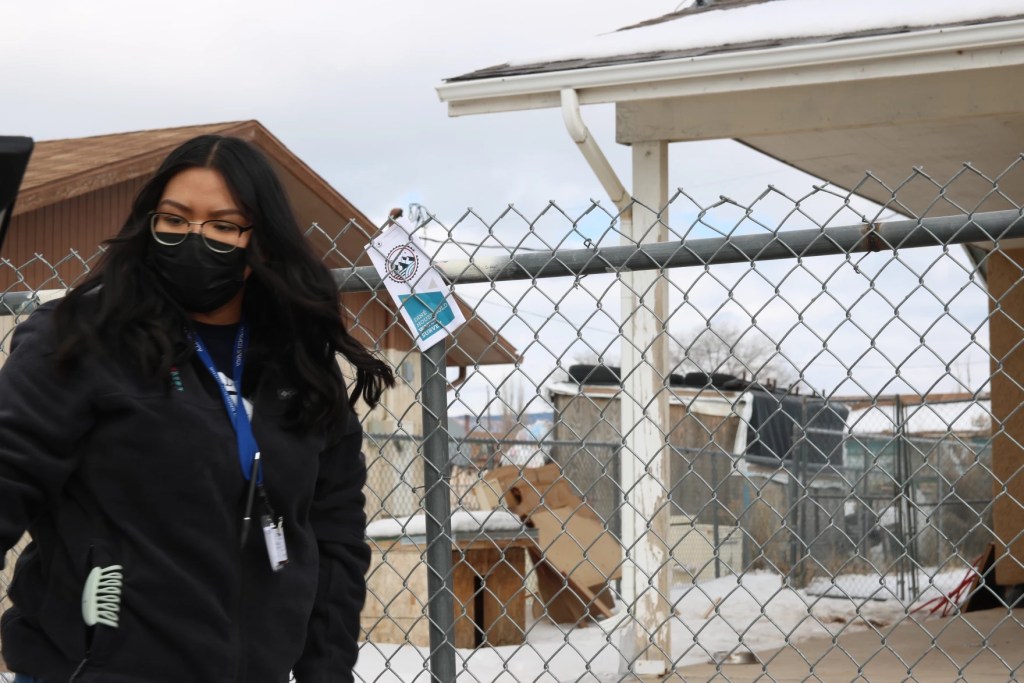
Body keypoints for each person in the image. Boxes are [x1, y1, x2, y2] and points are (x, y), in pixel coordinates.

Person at [0, 135, 394, 682]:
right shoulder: (80, 339)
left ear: (260, 245)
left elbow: (334, 539)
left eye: (223, 226)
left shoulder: (299, 367)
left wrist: (326, 673)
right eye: (176, 219)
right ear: (149, 225)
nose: (194, 238)